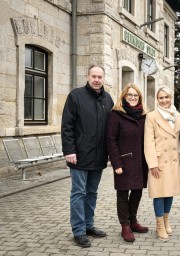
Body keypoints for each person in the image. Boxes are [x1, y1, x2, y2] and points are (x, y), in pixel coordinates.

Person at [61, 64, 114, 248]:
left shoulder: (108, 99)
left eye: (100, 76)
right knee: (78, 193)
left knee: (92, 193)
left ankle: (89, 225)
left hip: (99, 157)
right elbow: (67, 126)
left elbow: (112, 128)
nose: (97, 80)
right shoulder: (75, 96)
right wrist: (69, 150)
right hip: (79, 156)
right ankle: (78, 231)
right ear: (88, 76)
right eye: (94, 76)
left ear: (103, 78)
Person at [144, 87, 180, 242]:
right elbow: (148, 142)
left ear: (171, 98)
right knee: (159, 193)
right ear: (157, 99)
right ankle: (159, 225)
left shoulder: (179, 117)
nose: (164, 100)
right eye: (161, 98)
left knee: (169, 192)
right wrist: (152, 164)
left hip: (174, 159)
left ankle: (166, 220)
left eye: (167, 97)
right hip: (159, 161)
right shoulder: (151, 116)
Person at [106, 83, 149, 243]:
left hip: (141, 162)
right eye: (129, 95)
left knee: (137, 192)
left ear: (139, 98)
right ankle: (125, 226)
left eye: (135, 95)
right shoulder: (116, 114)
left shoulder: (145, 115)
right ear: (124, 96)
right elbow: (111, 140)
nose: (132, 97)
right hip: (123, 160)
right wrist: (116, 163)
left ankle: (133, 221)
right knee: (123, 193)